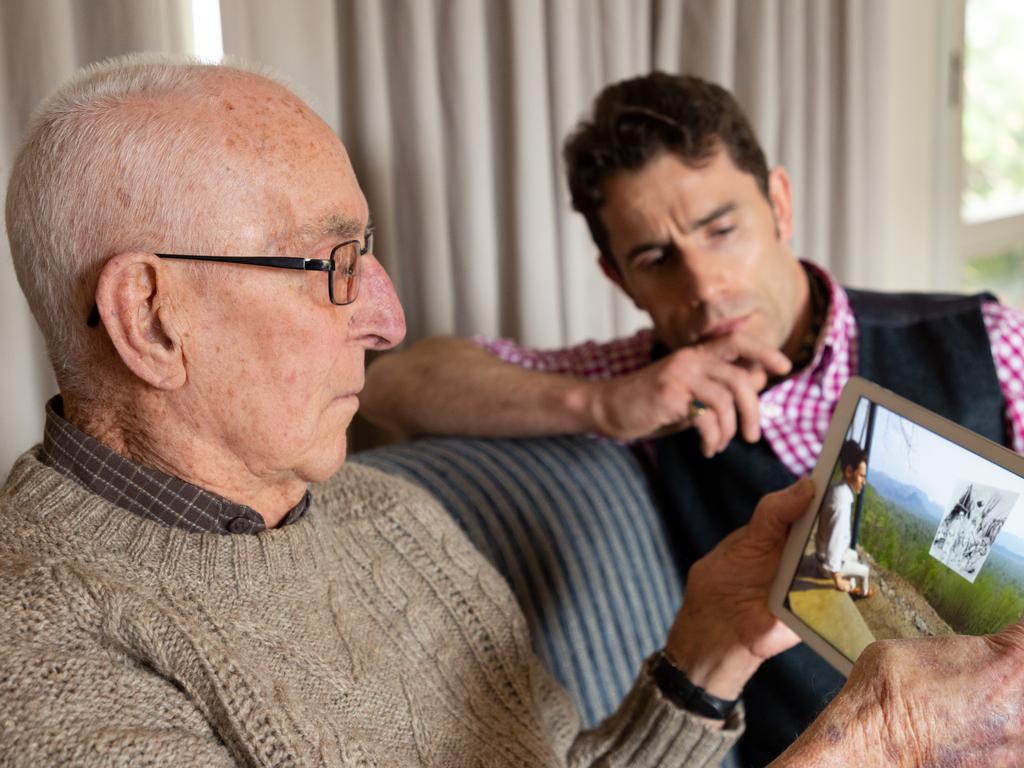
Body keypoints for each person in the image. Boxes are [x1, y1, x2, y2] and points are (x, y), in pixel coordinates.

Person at [8, 54, 1005, 768]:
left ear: (777, 204)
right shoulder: (41, 651)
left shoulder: (389, 517)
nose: (387, 316)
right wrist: (879, 743)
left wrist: (710, 648)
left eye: (721, 225)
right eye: (335, 265)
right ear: (148, 316)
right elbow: (425, 378)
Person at [359, 71, 1024, 763]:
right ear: (619, 278)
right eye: (654, 258)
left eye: (721, 228)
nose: (703, 285)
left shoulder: (988, 340)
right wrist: (603, 404)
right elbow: (393, 386)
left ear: (780, 204)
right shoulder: (639, 385)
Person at [815, 440, 872, 597]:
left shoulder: (836, 488)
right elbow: (835, 543)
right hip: (826, 564)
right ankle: (863, 593)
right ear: (848, 471)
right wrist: (838, 580)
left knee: (853, 554)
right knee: (865, 571)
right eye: (861, 476)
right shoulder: (842, 502)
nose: (864, 482)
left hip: (821, 553)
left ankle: (852, 587)